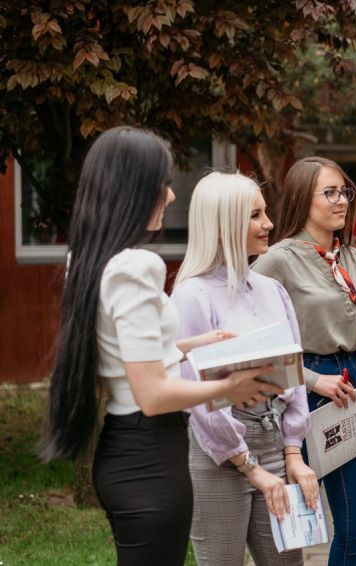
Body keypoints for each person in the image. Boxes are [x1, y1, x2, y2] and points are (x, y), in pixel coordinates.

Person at [40, 127, 280, 565]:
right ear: (133, 188)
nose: (170, 196)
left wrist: (191, 345)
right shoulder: (137, 265)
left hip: (124, 451)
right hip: (150, 457)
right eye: (163, 184)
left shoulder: (92, 258)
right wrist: (230, 389)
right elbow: (152, 394)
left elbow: (119, 359)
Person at [253, 156, 356, 566]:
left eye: (345, 192)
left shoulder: (352, 257)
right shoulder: (277, 260)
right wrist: (313, 380)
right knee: (290, 530)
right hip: (300, 391)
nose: (341, 201)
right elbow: (258, 350)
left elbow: (355, 338)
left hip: (351, 389)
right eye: (329, 192)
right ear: (303, 198)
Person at [171, 172, 320, 566]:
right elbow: (200, 401)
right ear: (224, 223)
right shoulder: (192, 295)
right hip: (219, 455)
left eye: (265, 212)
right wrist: (248, 465)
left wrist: (293, 453)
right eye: (255, 215)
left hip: (276, 445)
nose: (269, 224)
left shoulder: (273, 290)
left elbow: (296, 374)